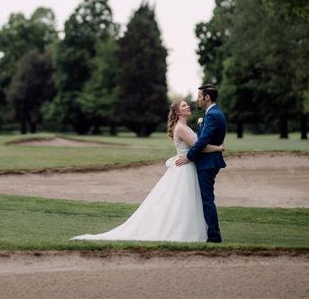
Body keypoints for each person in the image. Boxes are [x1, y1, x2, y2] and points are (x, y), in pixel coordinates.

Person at [71, 99, 224, 242]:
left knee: (184, 201)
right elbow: (200, 148)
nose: (188, 106)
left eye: (186, 104)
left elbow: (198, 145)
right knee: (181, 201)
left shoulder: (183, 127)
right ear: (177, 112)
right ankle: (181, 231)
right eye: (184, 106)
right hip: (184, 167)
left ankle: (190, 229)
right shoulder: (182, 129)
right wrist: (218, 147)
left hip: (186, 165)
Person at [175, 84, 227, 243]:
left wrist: (188, 157)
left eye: (199, 96)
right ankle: (207, 232)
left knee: (207, 200)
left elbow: (203, 140)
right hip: (208, 161)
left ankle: (214, 237)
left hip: (208, 163)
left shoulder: (212, 115)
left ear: (207, 97)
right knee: (205, 199)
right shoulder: (211, 113)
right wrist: (218, 148)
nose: (197, 99)